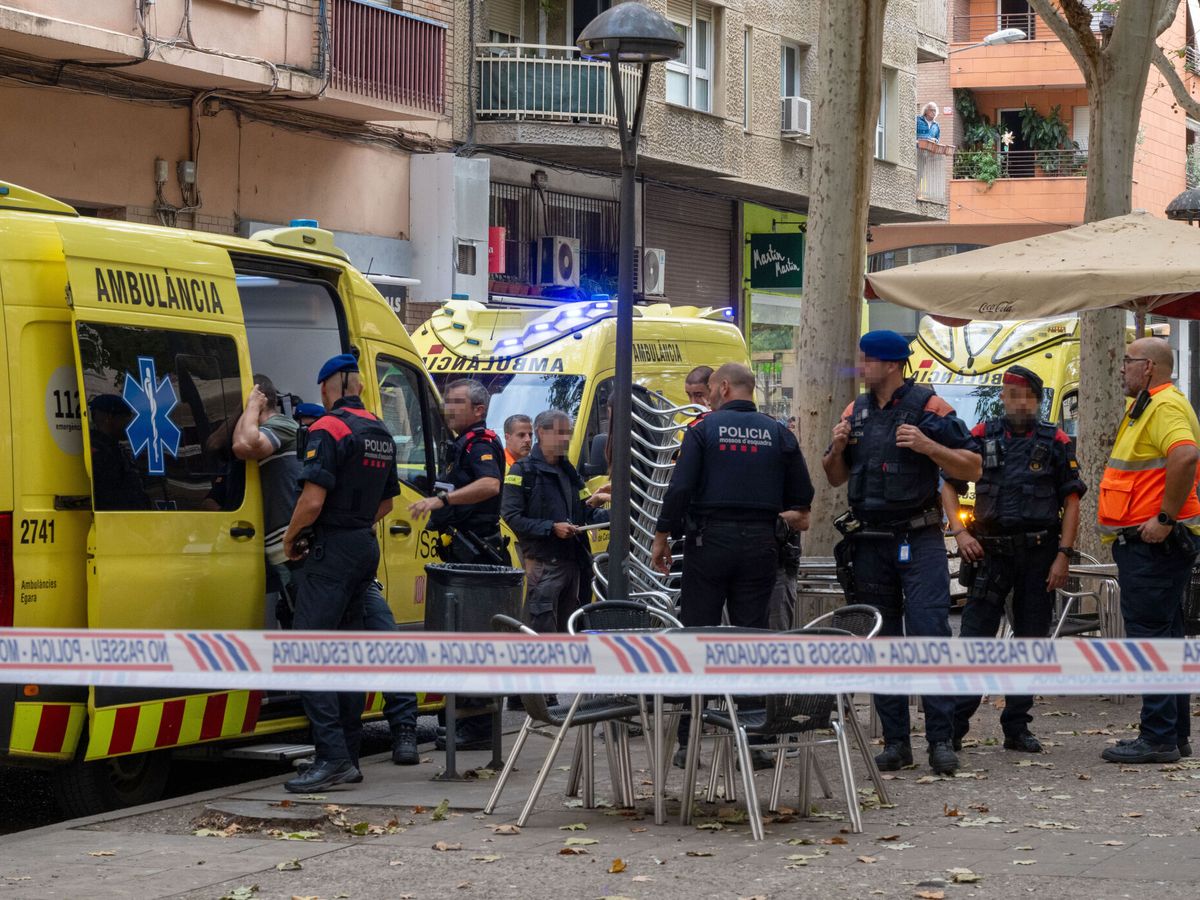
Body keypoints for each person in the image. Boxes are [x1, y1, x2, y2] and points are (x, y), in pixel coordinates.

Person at [822, 330, 981, 776]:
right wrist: (836, 446)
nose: (861, 368)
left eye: (867, 360)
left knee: (929, 636)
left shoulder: (930, 408)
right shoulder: (855, 410)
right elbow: (834, 477)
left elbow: (973, 465)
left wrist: (930, 447)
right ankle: (896, 743)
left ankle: (940, 742)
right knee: (883, 641)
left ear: (891, 364)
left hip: (920, 539)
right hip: (870, 542)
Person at [651, 363, 813, 767]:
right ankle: (753, 740)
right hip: (761, 545)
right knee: (751, 638)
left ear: (723, 387)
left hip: (710, 543)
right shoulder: (779, 433)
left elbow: (681, 487)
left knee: (697, 636)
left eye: (709, 388)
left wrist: (661, 536)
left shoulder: (703, 430)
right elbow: (803, 497)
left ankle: (690, 741)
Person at [943, 365, 1085, 754]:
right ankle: (954, 728)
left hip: (1039, 556)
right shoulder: (980, 436)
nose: (1017, 401)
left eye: (1024, 395)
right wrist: (961, 531)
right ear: (1003, 398)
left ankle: (1017, 727)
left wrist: (1064, 556)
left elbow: (1072, 503)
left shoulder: (1055, 440)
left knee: (1030, 643)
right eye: (1010, 394)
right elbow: (948, 484)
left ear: (1036, 400)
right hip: (989, 555)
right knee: (974, 641)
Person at [280, 353, 400, 792]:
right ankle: (346, 754)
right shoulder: (380, 431)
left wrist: (291, 538)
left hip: (331, 551)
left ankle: (331, 757)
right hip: (363, 547)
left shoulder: (327, 428)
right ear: (360, 387)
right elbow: (387, 503)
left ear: (329, 386)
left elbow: (311, 500)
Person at [1097, 337, 1200, 765]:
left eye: (1128, 362)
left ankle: (1157, 737)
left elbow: (1186, 456)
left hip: (1154, 545)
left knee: (1150, 640)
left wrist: (1165, 517)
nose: (1122, 368)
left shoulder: (1164, 406)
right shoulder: (1147, 405)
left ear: (1150, 368)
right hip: (1149, 546)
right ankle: (1172, 734)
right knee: (1165, 638)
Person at [409, 378, 505, 750]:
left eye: (457, 402)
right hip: (462, 555)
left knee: (471, 639)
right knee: (457, 637)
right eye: (446, 401)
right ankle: (459, 720)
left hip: (477, 557)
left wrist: (442, 504)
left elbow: (489, 486)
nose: (448, 408)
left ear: (479, 410)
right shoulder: (460, 444)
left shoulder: (481, 442)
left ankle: (477, 728)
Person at [502, 409, 610, 634]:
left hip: (573, 565)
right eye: (560, 432)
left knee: (568, 633)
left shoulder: (568, 471)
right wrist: (551, 529)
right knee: (541, 634)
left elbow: (583, 514)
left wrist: (615, 510)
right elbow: (512, 517)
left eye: (568, 433)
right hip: (543, 566)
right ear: (541, 432)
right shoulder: (523, 471)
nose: (566, 438)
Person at [232, 375, 303, 624]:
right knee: (288, 616)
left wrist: (251, 406)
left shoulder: (283, 425)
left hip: (292, 545)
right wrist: (243, 411)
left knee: (301, 619)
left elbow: (242, 446)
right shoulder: (261, 426)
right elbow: (213, 443)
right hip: (274, 547)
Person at [88, 394, 151, 511]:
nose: (130, 424)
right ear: (110, 417)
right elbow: (113, 500)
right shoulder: (98, 454)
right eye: (126, 418)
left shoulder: (114, 449)